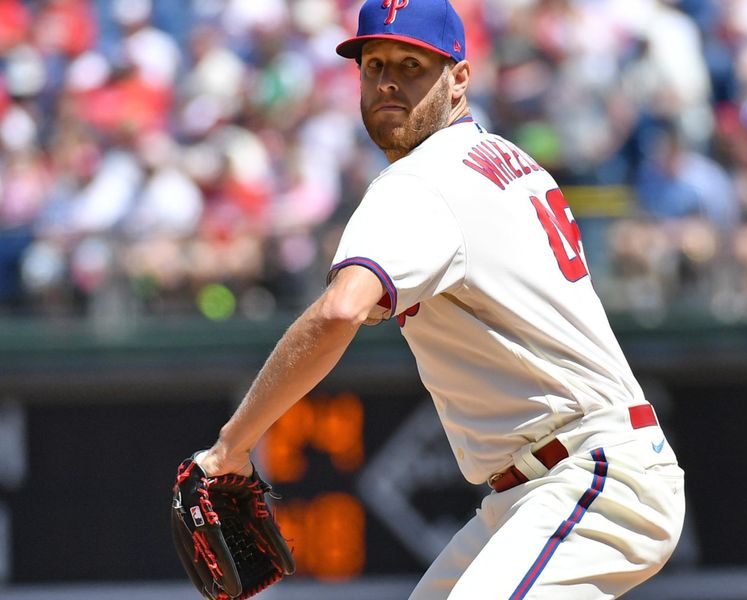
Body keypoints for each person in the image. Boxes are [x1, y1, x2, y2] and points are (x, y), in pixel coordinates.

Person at [196, 1, 685, 597]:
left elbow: (340, 309)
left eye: (411, 64)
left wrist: (232, 447)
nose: (388, 81)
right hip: (553, 483)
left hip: (589, 472)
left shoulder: (420, 182)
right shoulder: (505, 159)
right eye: (373, 64)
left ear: (459, 79)